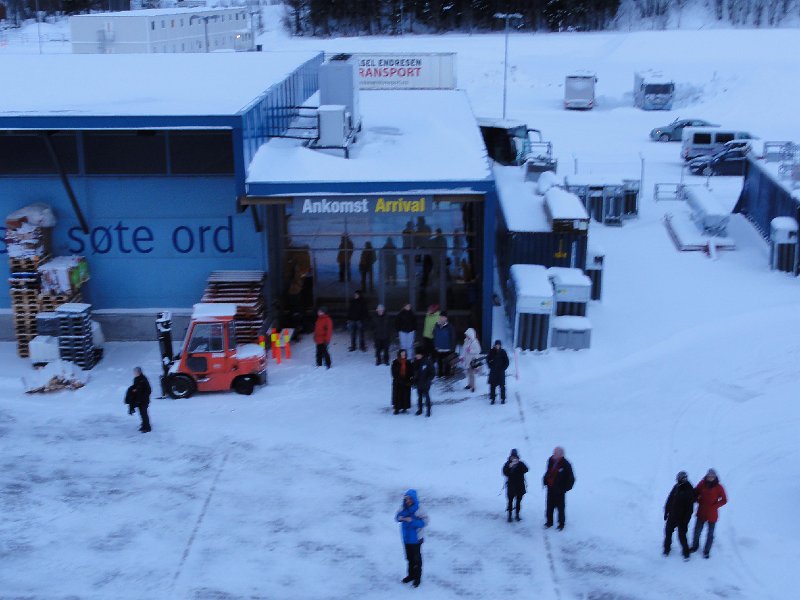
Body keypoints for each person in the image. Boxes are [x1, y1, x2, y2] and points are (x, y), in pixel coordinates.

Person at [690, 468, 727, 559]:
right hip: (701, 512)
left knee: (710, 534)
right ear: (707, 476)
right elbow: (695, 492)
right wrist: (697, 499)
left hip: (712, 514)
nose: (711, 477)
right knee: (697, 531)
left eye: (712, 476)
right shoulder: (702, 483)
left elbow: (724, 500)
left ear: (715, 477)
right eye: (709, 476)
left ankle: (707, 551)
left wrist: (715, 505)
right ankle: (695, 546)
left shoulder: (719, 487)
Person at [395, 489, 426, 588]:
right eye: (406, 499)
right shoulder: (403, 508)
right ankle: (410, 575)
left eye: (410, 499)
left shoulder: (419, 509)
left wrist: (412, 521)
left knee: (416, 560)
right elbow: (396, 517)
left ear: (414, 499)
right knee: (409, 558)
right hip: (406, 539)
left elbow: (425, 522)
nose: (408, 501)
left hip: (416, 539)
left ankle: (417, 579)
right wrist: (401, 517)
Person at [663, 471, 696, 560]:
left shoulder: (689, 489)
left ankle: (686, 553)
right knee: (668, 532)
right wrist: (666, 511)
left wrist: (686, 520)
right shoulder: (676, 487)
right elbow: (669, 499)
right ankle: (666, 549)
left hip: (682, 518)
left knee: (682, 536)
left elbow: (690, 509)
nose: (683, 479)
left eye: (684, 477)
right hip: (672, 516)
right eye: (681, 477)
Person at [543, 446, 575, 530]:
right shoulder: (550, 460)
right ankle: (549, 522)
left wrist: (565, 488)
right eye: (553, 453)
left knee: (560, 508)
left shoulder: (566, 464)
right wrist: (545, 480)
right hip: (550, 488)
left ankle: (561, 524)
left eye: (555, 453)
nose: (553, 454)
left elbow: (571, 478)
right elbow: (548, 471)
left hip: (560, 490)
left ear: (561, 455)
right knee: (549, 506)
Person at [503, 449, 529, 522]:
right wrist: (510, 467)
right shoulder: (507, 464)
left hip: (520, 486)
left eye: (515, 457)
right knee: (510, 501)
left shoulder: (520, 463)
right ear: (510, 456)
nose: (513, 458)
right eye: (512, 457)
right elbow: (505, 473)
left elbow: (526, 469)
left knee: (518, 501)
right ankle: (509, 516)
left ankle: (517, 515)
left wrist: (519, 464)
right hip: (511, 486)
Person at [128, 367, 152, 433]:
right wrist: (133, 390)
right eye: (134, 372)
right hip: (138, 400)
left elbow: (149, 390)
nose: (134, 373)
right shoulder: (135, 379)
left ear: (139, 372)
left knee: (144, 413)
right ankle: (143, 425)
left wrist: (143, 396)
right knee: (141, 413)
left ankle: (147, 427)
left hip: (144, 400)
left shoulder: (144, 379)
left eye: (136, 372)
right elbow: (136, 387)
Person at [486, 340, 510, 405]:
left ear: (500, 345)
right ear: (495, 345)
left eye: (498, 345)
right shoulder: (491, 351)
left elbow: (507, 361)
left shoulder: (503, 352)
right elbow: (487, 360)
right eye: (496, 345)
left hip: (501, 372)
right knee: (492, 386)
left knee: (502, 386)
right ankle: (492, 399)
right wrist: (490, 366)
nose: (497, 346)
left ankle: (503, 399)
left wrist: (503, 368)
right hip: (493, 371)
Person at [432, 312, 455, 377]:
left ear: (446, 318)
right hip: (439, 348)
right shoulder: (436, 325)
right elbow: (434, 335)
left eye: (443, 317)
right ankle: (440, 373)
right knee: (439, 362)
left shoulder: (450, 326)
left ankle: (447, 373)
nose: (441, 318)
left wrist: (452, 347)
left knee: (447, 362)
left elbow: (453, 337)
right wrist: (435, 345)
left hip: (447, 348)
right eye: (440, 317)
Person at [413, 348, 434, 417]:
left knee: (426, 396)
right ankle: (420, 409)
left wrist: (428, 379)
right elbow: (413, 372)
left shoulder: (427, 362)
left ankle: (428, 410)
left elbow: (432, 372)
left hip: (426, 383)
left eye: (418, 354)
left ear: (422, 354)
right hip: (418, 383)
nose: (417, 356)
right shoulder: (415, 361)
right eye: (416, 354)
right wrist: (413, 380)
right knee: (419, 397)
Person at [391, 349, 413, 414]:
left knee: (405, 395)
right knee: (397, 395)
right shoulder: (395, 362)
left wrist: (409, 379)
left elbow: (411, 372)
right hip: (397, 381)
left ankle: (404, 407)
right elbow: (393, 372)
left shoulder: (408, 362)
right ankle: (397, 408)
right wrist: (398, 379)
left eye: (404, 354)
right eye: (402, 354)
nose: (403, 355)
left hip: (406, 381)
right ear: (399, 354)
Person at [460, 327, 482, 392]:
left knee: (472, 374)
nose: (466, 336)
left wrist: (470, 350)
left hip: (472, 360)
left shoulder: (475, 342)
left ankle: (473, 386)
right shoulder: (466, 341)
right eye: (466, 335)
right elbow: (464, 350)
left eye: (467, 335)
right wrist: (462, 357)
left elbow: (478, 350)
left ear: (471, 335)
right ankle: (469, 384)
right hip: (467, 360)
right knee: (469, 373)